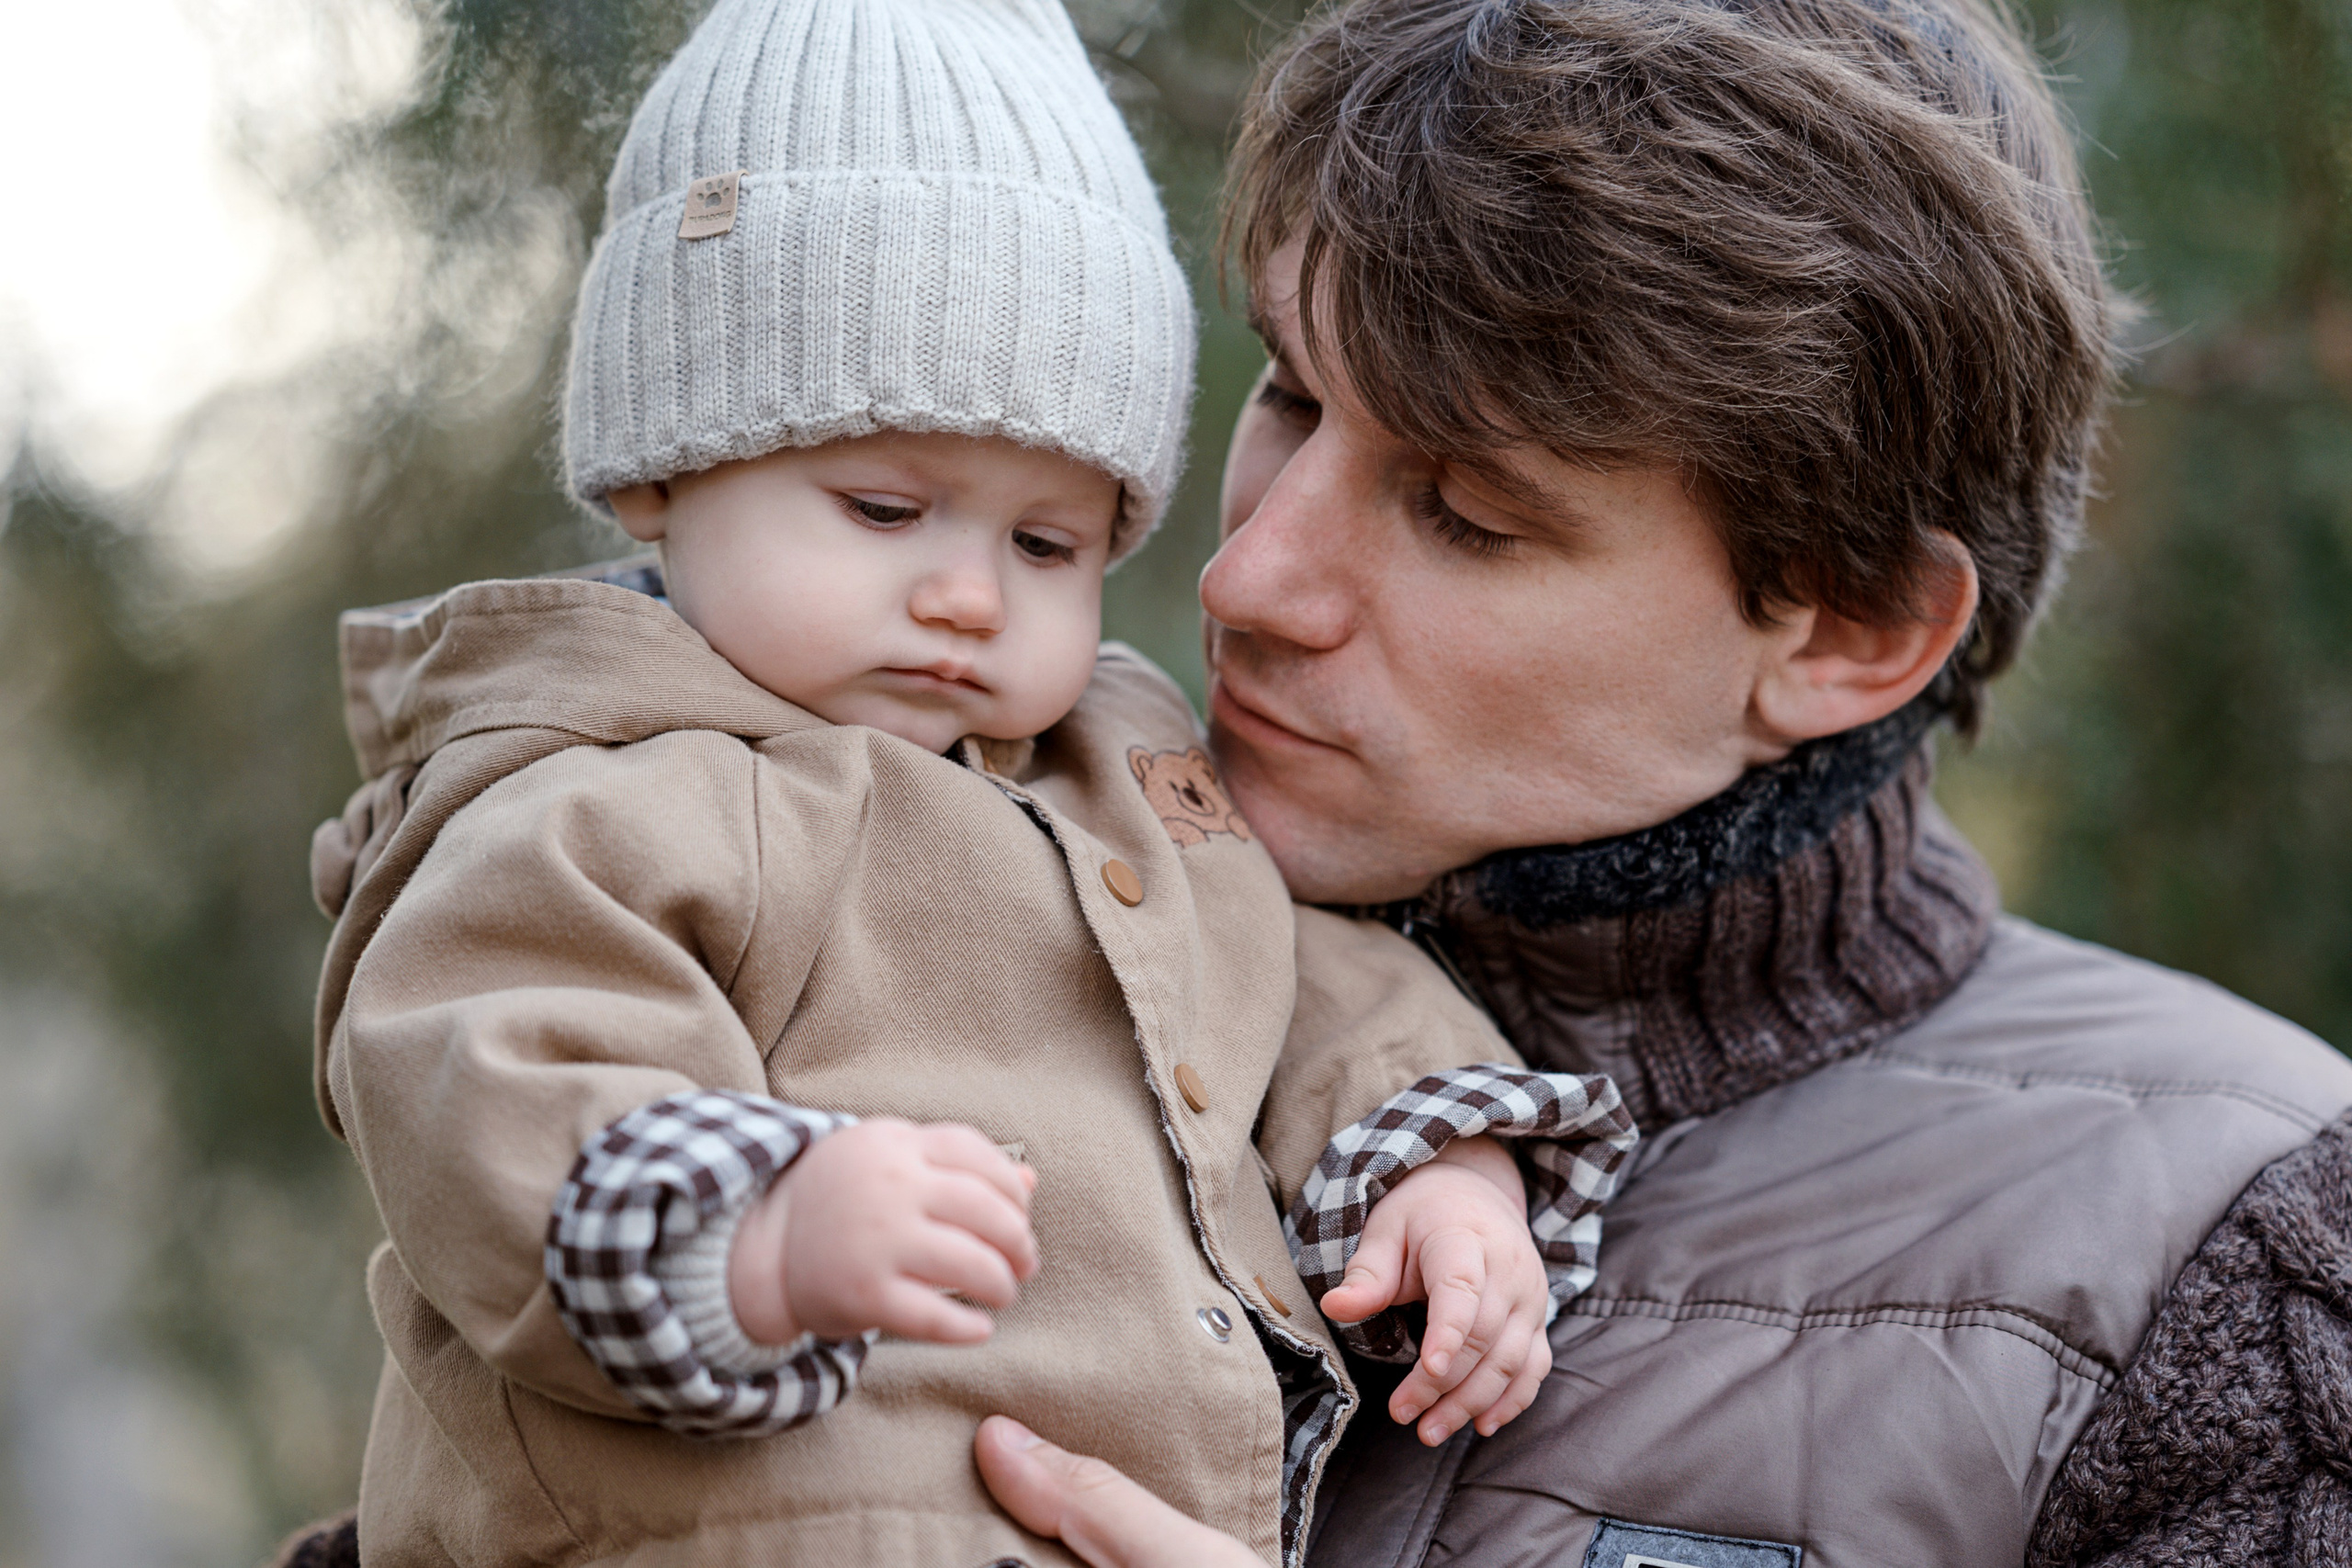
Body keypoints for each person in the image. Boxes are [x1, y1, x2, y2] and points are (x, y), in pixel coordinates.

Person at [973, 0, 2352, 1562]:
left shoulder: (2235, 1254)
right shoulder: (925, 916)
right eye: (1290, 393)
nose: (1248, 575)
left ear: (1850, 630)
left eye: (1469, 511)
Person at [291, 0, 1649, 1563]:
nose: (966, 596)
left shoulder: (1124, 772)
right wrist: (763, 1235)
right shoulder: (597, 790)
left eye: (1046, 544)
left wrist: (1440, 1169)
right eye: (884, 507)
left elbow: (1307, 981)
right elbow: (488, 1074)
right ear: (660, 473)